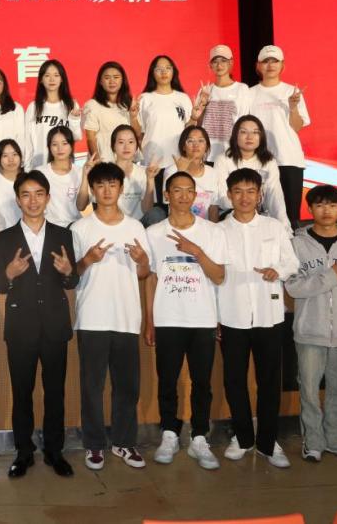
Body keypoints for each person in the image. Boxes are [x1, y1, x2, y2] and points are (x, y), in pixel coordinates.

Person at [0, 170, 78, 478]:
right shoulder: (3, 239)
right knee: (22, 393)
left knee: (55, 393)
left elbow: (72, 280)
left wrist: (68, 272)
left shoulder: (63, 235)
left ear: (48, 198)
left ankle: (55, 451)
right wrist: (9, 274)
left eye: (39, 194)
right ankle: (23, 452)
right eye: (26, 195)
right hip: (20, 327)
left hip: (55, 325)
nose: (33, 200)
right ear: (18, 200)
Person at [70, 162, 152, 471]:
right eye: (100, 185)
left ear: (120, 188)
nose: (106, 190)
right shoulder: (80, 228)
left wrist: (142, 261)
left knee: (127, 386)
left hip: (126, 317)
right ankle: (94, 445)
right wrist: (88, 259)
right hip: (92, 316)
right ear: (92, 190)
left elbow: (143, 274)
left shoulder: (135, 227)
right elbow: (72, 275)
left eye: (112, 185)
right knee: (91, 387)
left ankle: (124, 442)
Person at [145, 172, 228, 470]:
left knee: (202, 382)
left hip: (202, 318)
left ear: (195, 195)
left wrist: (196, 252)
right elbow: (151, 279)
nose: (183, 195)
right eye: (176, 190)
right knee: (167, 380)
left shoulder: (212, 232)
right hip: (168, 318)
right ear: (167, 195)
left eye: (188, 190)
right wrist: (150, 321)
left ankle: (199, 437)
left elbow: (219, 276)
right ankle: (169, 433)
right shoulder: (153, 233)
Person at [217, 169, 298, 468]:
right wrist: (214, 317)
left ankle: (268, 442)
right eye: (238, 191)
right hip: (232, 315)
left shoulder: (274, 227)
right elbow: (214, 276)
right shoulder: (218, 231)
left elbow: (292, 262)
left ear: (260, 195)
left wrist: (279, 270)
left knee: (269, 382)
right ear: (229, 195)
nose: (245, 197)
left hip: (269, 315)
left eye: (251, 191)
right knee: (234, 380)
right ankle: (242, 438)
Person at [286, 184, 337, 464]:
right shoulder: (297, 244)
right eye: (319, 205)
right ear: (310, 209)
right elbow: (293, 287)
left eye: (332, 205)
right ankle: (313, 443)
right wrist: (329, 278)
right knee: (309, 390)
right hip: (310, 329)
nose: (326, 211)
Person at [249, 45, 310, 227]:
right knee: (260, 214)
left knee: (291, 216)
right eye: (265, 61)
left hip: (288, 159)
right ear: (258, 66)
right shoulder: (250, 93)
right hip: (258, 160)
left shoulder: (292, 92)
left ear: (282, 65)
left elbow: (297, 127)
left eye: (274, 61)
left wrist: (292, 107)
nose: (270, 65)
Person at [213, 115, 291, 232]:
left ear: (261, 136)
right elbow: (222, 197)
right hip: (231, 214)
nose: (249, 137)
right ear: (235, 135)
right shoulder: (223, 160)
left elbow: (275, 196)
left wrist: (285, 227)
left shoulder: (269, 162)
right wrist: (247, 208)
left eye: (255, 132)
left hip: (260, 216)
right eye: (244, 132)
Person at [134, 55, 197, 201]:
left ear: (173, 72)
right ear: (152, 73)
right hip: (153, 162)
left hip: (178, 162)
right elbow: (138, 133)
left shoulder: (183, 98)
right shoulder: (145, 98)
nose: (164, 72)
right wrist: (132, 117)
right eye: (159, 69)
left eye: (168, 68)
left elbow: (188, 132)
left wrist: (194, 118)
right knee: (155, 207)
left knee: (177, 203)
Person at [194, 45, 252, 163]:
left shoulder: (242, 89)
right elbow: (198, 124)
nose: (219, 65)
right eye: (215, 61)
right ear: (210, 65)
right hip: (208, 154)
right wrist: (202, 106)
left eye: (223, 61)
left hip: (233, 153)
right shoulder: (205, 90)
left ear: (231, 62)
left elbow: (244, 122)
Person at [24, 59, 82, 170]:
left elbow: (76, 136)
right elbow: (27, 141)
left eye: (56, 75)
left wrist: (74, 120)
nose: (52, 79)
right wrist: (27, 169)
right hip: (39, 166)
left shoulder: (71, 104)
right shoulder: (33, 107)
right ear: (41, 80)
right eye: (47, 75)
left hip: (63, 166)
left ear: (62, 79)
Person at [160, 125, 223, 222]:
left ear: (206, 147)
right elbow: (169, 203)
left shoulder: (212, 173)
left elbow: (213, 208)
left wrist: (213, 230)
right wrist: (180, 172)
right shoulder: (172, 170)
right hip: (179, 225)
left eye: (201, 141)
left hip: (205, 227)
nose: (196, 145)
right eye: (190, 141)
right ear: (183, 147)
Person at [83, 61, 136, 163]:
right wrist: (98, 162)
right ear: (100, 81)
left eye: (116, 77)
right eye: (107, 78)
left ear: (122, 80)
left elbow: (137, 135)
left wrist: (133, 117)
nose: (112, 81)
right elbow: (91, 138)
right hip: (104, 163)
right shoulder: (92, 105)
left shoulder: (130, 105)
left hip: (127, 162)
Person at [36, 126, 88, 227]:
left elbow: (81, 206)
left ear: (72, 145)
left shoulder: (80, 172)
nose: (60, 149)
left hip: (74, 227)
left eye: (64, 143)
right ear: (49, 147)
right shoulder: (39, 173)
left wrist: (85, 175)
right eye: (55, 144)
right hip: (49, 228)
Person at [110, 125, 157, 224]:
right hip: (114, 223)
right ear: (113, 146)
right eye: (121, 142)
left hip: (140, 223)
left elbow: (147, 209)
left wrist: (150, 180)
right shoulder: (105, 173)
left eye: (131, 142)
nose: (126, 147)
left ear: (136, 146)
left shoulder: (145, 172)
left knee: (157, 214)